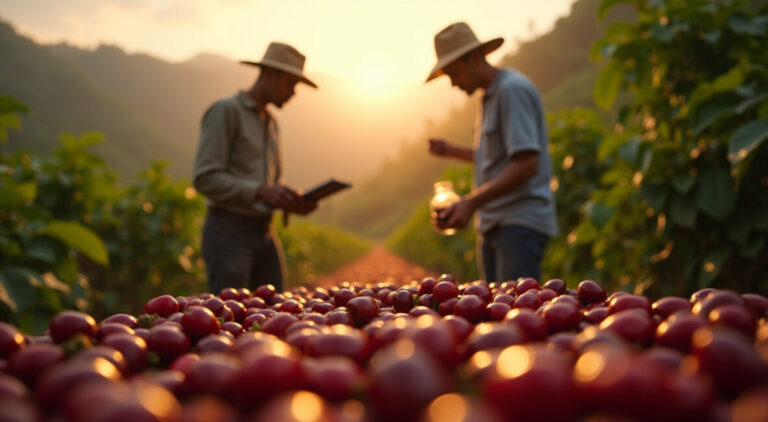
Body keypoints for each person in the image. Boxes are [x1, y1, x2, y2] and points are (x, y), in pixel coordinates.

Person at [425, 22, 558, 283]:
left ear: (475, 58)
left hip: (518, 222)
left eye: (454, 74)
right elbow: (498, 158)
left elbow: (528, 163)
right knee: (497, 311)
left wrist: (470, 202)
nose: (452, 84)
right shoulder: (490, 96)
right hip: (495, 223)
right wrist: (451, 151)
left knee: (514, 313)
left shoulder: (511, 91)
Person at [193, 42, 317, 294]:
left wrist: (289, 198)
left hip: (264, 230)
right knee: (228, 314)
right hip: (229, 233)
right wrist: (261, 191)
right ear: (270, 74)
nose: (293, 93)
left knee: (275, 309)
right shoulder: (227, 111)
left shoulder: (271, 123)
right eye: (291, 84)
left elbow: (271, 184)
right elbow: (204, 178)